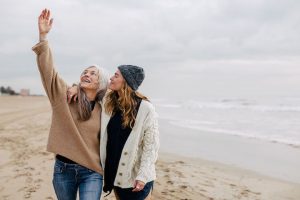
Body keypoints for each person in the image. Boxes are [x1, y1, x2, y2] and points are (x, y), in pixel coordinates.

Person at [32, 9, 109, 200]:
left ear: (101, 84)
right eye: (85, 71)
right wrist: (43, 37)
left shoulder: (106, 109)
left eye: (93, 73)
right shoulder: (64, 96)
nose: (86, 74)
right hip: (63, 171)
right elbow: (48, 70)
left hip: (92, 172)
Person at [68, 65, 159, 200]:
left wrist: (143, 176)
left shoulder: (146, 108)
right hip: (116, 176)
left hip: (137, 179)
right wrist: (76, 87)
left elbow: (151, 146)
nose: (111, 78)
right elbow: (90, 88)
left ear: (126, 82)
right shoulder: (108, 101)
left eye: (116, 76)